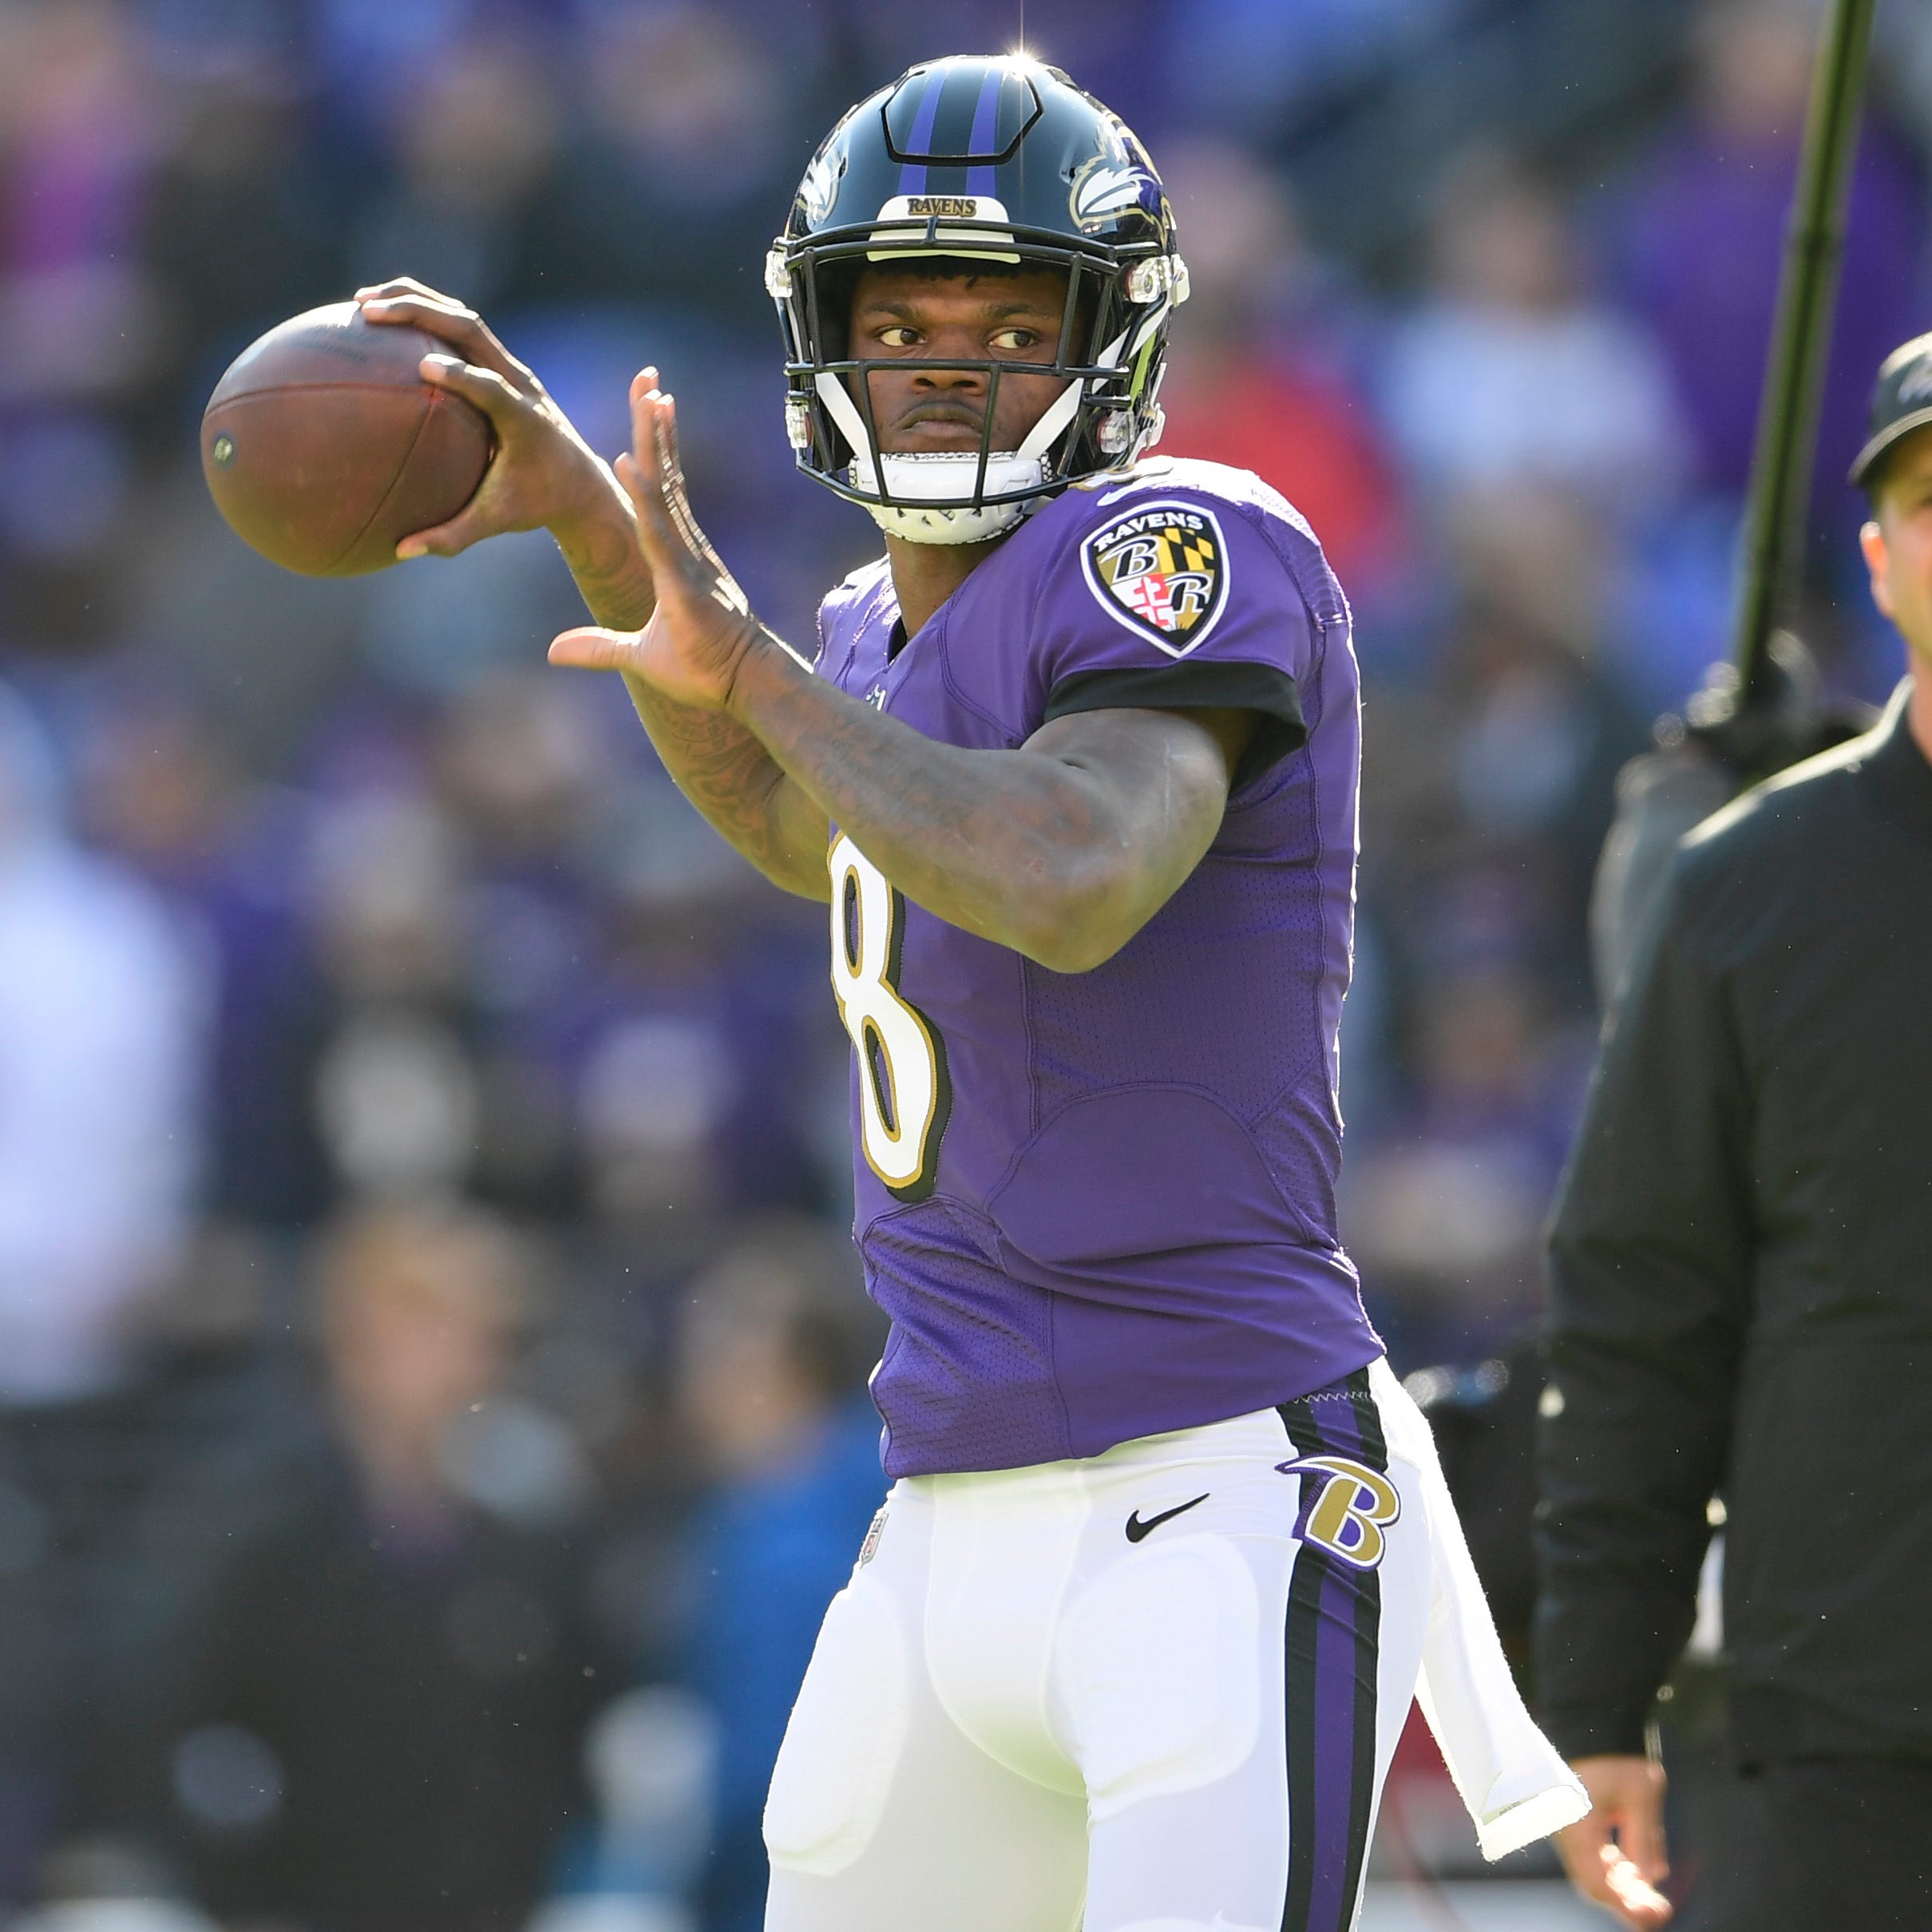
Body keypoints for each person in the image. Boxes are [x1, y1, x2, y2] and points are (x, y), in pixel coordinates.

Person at [351, 54, 1585, 1931]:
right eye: (899, 315)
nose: (945, 360)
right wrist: (607, 532)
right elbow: (807, 825)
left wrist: (748, 664)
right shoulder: (860, 622)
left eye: (1012, 319)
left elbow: (1067, 874)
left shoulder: (1182, 541)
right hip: (943, 1502)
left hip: (1209, 1488)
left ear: (1118, 337)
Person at [1538, 332, 1932, 1932]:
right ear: (1881, 558)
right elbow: (1640, 1312)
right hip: (1836, 1748)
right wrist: (1596, 1696)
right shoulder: (1748, 891)